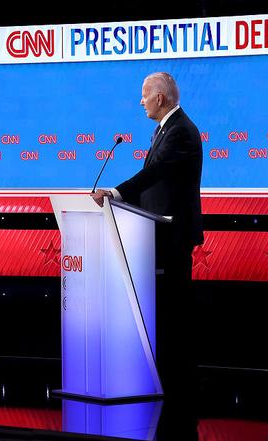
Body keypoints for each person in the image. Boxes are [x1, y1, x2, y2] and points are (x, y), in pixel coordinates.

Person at [91, 72, 204, 400]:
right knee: (165, 311)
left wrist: (115, 193)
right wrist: (120, 203)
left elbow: (155, 173)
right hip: (159, 235)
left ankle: (178, 388)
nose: (140, 101)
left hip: (173, 236)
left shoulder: (181, 131)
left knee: (174, 312)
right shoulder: (165, 130)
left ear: (161, 97)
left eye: (144, 95)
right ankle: (164, 381)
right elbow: (156, 185)